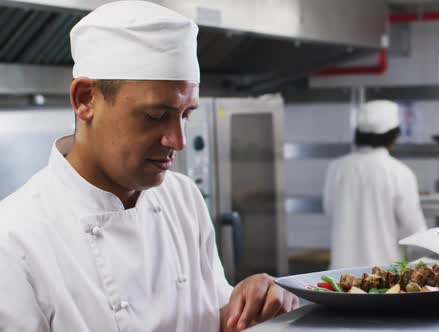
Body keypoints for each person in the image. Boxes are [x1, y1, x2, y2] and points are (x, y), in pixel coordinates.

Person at [0, 2, 297, 331]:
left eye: (186, 115)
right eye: (155, 115)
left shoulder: (182, 197)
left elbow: (212, 316)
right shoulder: (14, 240)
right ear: (85, 99)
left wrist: (251, 304)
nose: (178, 140)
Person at [323, 100, 427, 269]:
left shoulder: (337, 167)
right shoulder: (399, 172)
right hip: (383, 276)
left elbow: (329, 209)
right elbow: (414, 231)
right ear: (394, 136)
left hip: (340, 275)